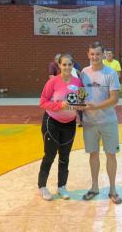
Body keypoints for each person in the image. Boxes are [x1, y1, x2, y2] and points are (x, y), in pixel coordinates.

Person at [81, 41, 122, 204]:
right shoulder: (83, 72)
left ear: (103, 55)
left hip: (108, 121)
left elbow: (115, 98)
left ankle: (112, 189)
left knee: (111, 154)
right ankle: (94, 187)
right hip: (89, 122)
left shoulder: (110, 73)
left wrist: (96, 106)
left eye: (98, 54)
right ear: (88, 54)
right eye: (92, 54)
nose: (95, 57)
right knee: (93, 154)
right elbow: (80, 95)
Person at [38, 54, 83, 201]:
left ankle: (62, 186)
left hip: (69, 124)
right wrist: (59, 105)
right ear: (59, 65)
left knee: (65, 157)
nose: (67, 67)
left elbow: (82, 102)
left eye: (70, 64)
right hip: (52, 122)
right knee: (50, 155)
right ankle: (42, 186)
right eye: (64, 64)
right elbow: (43, 102)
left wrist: (79, 105)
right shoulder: (52, 82)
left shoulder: (79, 82)